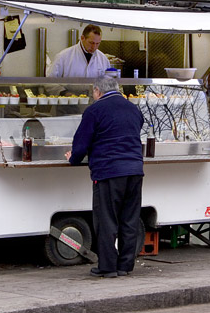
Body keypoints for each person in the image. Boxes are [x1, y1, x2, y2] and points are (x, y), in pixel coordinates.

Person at [65, 76, 144, 278]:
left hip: (109, 171)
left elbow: (81, 143)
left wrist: (73, 158)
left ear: (97, 91)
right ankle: (125, 266)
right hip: (134, 170)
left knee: (107, 219)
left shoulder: (95, 110)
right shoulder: (133, 108)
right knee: (129, 219)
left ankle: (108, 266)